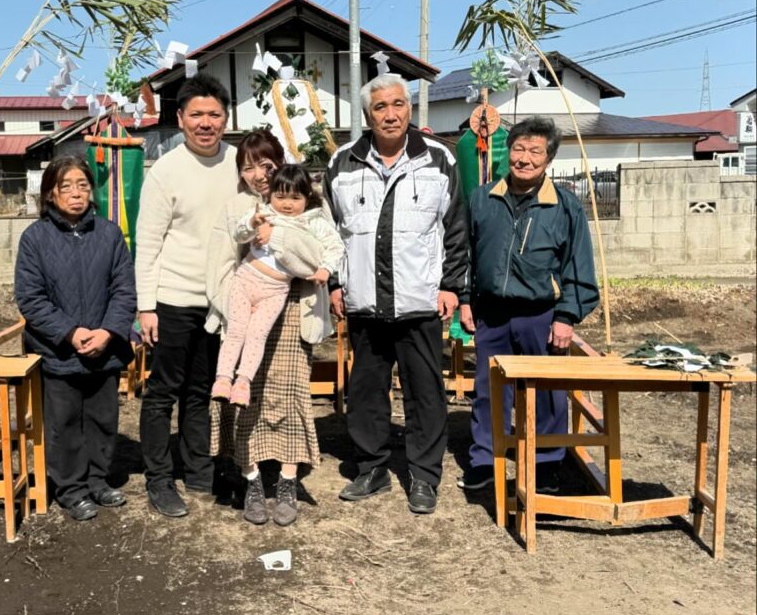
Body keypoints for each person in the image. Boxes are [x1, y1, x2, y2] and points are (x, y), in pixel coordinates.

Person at [323, 73, 468, 515]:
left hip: (419, 300)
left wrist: (451, 285)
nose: (390, 114)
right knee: (366, 391)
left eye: (398, 104)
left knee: (425, 392)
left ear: (409, 109)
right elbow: (328, 231)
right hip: (364, 300)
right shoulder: (343, 163)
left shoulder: (438, 159)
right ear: (368, 115)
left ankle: (424, 475)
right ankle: (372, 468)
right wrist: (334, 282)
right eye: (380, 107)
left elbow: (456, 227)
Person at [456, 116, 599, 493]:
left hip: (542, 316)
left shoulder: (564, 206)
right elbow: (465, 254)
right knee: (489, 390)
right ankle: (484, 459)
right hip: (492, 314)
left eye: (535, 151)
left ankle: (546, 463)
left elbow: (578, 265)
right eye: (518, 148)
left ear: (548, 159)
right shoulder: (482, 199)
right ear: (508, 152)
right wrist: (465, 299)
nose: (524, 158)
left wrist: (566, 316)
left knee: (548, 392)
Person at [206, 130, 327, 527]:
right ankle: (252, 480)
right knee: (247, 399)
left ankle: (288, 481)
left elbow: (318, 258)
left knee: (290, 395)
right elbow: (221, 266)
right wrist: (232, 311)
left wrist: (278, 239)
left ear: (281, 163)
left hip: (293, 310)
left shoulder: (308, 205)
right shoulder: (237, 210)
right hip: (245, 307)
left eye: (266, 165)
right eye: (248, 168)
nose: (258, 174)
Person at [135, 74, 238, 518]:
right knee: (163, 392)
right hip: (173, 299)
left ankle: (198, 469)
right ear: (180, 119)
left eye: (214, 114)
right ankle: (159, 478)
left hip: (220, 301)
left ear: (226, 118)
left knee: (201, 390)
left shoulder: (237, 163)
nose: (205, 123)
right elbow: (148, 243)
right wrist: (146, 306)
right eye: (196, 114)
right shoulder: (165, 170)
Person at [14, 155, 137, 521]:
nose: (76, 193)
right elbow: (30, 298)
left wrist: (107, 331)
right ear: (50, 193)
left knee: (102, 418)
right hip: (58, 350)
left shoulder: (109, 234)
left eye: (82, 185)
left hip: (104, 347)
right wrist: (70, 332)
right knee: (63, 422)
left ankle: (98, 480)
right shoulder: (35, 238)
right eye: (65, 186)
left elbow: (124, 289)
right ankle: (71, 489)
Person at [211, 163, 344, 407]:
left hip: (275, 291)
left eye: (296, 198)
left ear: (307, 198)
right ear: (270, 194)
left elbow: (335, 246)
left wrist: (325, 268)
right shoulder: (263, 212)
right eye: (280, 197)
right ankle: (223, 378)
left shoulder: (313, 222)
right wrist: (251, 223)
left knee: (257, 335)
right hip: (245, 280)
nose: (287, 204)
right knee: (236, 331)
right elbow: (239, 234)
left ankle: (243, 382)